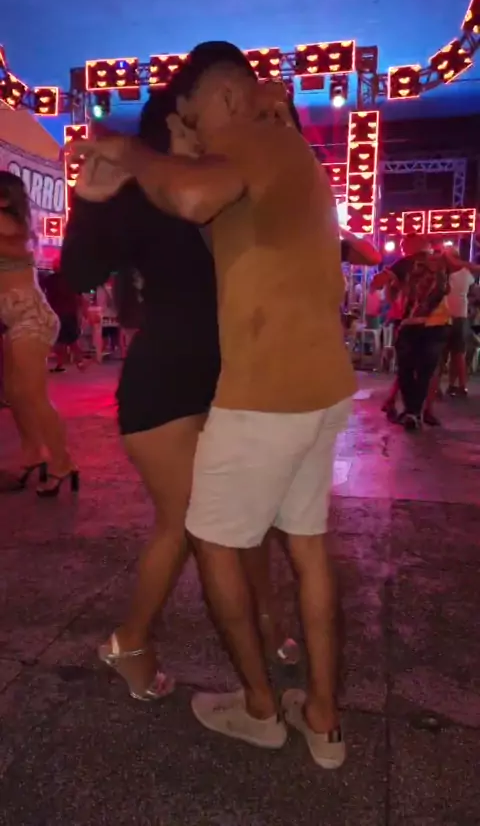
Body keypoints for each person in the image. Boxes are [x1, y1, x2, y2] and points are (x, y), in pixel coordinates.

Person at [73, 41, 356, 768]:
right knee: (286, 542)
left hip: (260, 393)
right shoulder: (267, 157)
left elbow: (194, 199)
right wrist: (128, 179)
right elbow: (191, 218)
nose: (191, 128)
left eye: (193, 112)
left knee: (217, 537)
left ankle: (261, 705)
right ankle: (318, 718)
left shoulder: (249, 144)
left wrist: (133, 153)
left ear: (224, 98)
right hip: (294, 387)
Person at [62, 86, 297, 700]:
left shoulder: (226, 187)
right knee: (188, 521)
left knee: (248, 514)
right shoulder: (145, 193)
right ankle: (129, 641)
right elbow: (78, 273)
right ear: (177, 120)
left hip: (226, 380)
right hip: (164, 386)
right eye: (208, 115)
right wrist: (89, 199)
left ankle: (267, 619)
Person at [0, 171, 77, 495]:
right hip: (16, 317)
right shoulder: (12, 225)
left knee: (33, 396)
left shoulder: (8, 224)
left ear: (4, 199)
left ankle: (62, 463)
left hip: (31, 317)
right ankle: (33, 455)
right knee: (15, 393)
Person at [372, 237, 479, 431]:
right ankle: (416, 411)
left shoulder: (407, 262)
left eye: (404, 246)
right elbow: (469, 267)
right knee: (424, 371)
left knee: (409, 369)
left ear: (411, 246)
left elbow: (379, 283)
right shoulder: (439, 261)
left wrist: (386, 285)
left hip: (417, 323)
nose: (403, 250)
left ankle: (414, 412)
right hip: (435, 324)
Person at [43, 259, 86, 372]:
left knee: (59, 341)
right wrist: (81, 313)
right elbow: (79, 298)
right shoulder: (72, 280)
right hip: (69, 313)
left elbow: (44, 293)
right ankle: (79, 362)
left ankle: (61, 363)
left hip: (57, 313)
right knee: (72, 340)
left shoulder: (50, 280)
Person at [445, 261, 475, 396]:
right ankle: (459, 385)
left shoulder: (445, 273)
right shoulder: (466, 273)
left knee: (444, 353)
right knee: (458, 353)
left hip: (445, 316)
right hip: (460, 315)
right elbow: (474, 291)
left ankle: (441, 387)